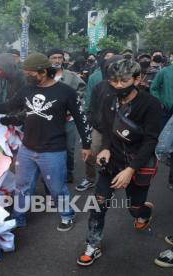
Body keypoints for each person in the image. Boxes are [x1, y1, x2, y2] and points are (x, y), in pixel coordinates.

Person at [0, 53, 92, 231]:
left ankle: (67, 214)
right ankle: (19, 218)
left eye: (30, 73)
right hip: (27, 149)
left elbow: (81, 118)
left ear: (43, 72)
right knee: (22, 187)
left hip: (53, 151)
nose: (27, 76)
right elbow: (7, 106)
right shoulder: (27, 90)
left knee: (57, 188)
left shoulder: (66, 92)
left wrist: (87, 145)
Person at [77, 58, 163, 266]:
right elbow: (108, 129)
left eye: (123, 81)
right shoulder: (109, 99)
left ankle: (144, 211)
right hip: (112, 161)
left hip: (139, 162)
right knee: (98, 203)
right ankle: (93, 244)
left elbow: (151, 140)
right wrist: (105, 148)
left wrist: (131, 170)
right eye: (113, 81)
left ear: (137, 78)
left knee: (134, 208)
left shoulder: (150, 104)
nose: (117, 85)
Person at [78, 55, 124, 192]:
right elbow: (92, 107)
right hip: (100, 127)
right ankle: (90, 178)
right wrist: (90, 125)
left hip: (120, 128)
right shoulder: (100, 86)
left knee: (118, 154)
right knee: (90, 154)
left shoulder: (128, 85)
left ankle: (116, 177)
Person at [47, 48, 87, 184]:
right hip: (49, 120)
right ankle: (50, 172)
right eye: (54, 57)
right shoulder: (44, 77)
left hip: (68, 119)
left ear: (63, 60)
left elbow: (82, 91)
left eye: (60, 57)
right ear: (48, 60)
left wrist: (73, 106)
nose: (57, 60)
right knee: (50, 147)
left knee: (69, 148)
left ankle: (69, 172)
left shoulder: (71, 76)